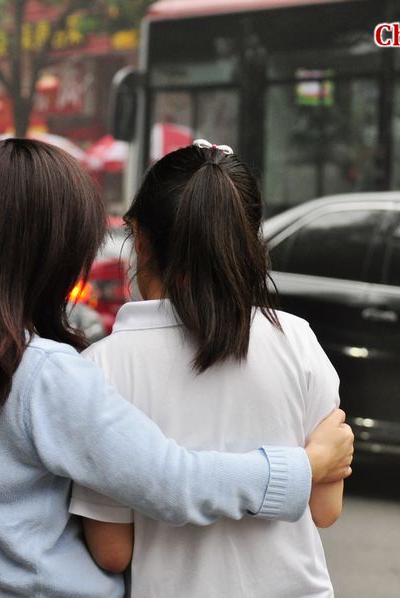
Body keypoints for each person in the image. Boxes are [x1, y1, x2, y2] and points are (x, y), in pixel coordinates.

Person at [0, 139, 353, 597]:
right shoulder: (44, 373)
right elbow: (171, 481)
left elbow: (113, 545)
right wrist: (306, 466)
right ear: (48, 255)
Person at [69, 140, 343, 597]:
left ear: (139, 237)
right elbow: (325, 509)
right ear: (249, 238)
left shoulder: (102, 368)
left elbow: (112, 551)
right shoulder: (297, 340)